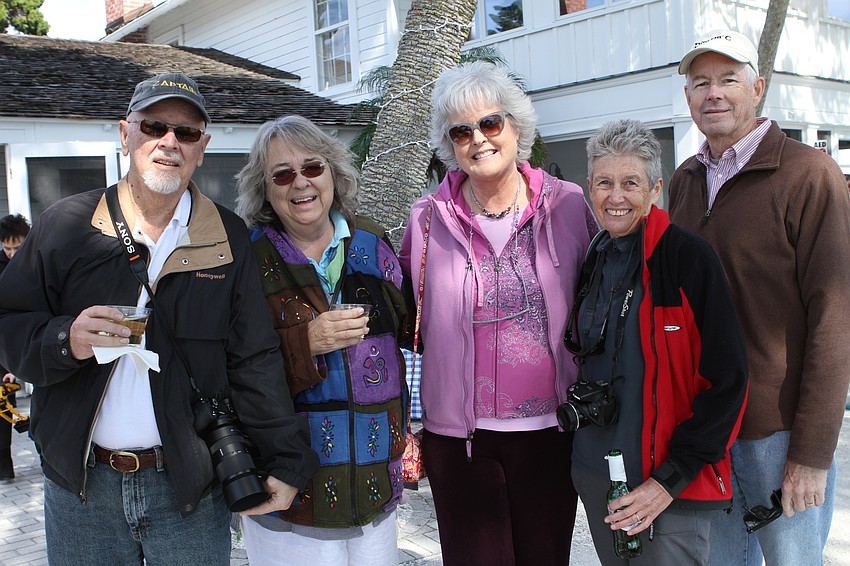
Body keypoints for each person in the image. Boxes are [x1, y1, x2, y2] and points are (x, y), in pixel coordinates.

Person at [0, 72, 319, 565]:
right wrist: (67, 340)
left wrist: (286, 457)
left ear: (203, 146)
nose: (169, 142)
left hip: (190, 489)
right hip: (82, 489)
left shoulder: (228, 236)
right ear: (125, 133)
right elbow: (10, 319)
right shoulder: (65, 225)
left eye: (187, 133)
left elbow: (253, 356)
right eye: (153, 126)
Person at [399, 60, 598, 566]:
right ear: (450, 144)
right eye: (461, 131)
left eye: (490, 123)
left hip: (550, 435)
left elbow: (607, 300)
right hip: (459, 442)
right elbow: (400, 318)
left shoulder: (569, 205)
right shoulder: (426, 219)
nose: (478, 140)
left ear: (515, 127)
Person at [669, 30, 850, 566]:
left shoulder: (808, 173)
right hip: (705, 432)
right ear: (687, 99)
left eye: (728, 79)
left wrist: (812, 452)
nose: (714, 93)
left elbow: (835, 316)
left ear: (757, 88)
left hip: (779, 435)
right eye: (701, 83)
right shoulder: (684, 181)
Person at [233, 115, 411, 566]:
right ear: (265, 189)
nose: (300, 183)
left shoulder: (373, 243)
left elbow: (408, 332)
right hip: (291, 493)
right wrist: (302, 342)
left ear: (333, 172)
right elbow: (228, 368)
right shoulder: (247, 260)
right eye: (282, 174)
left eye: (312, 167)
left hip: (373, 482)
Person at [570, 119, 748, 565]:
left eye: (630, 183)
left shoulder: (685, 258)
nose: (615, 197)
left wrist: (669, 480)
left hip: (666, 487)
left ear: (654, 190)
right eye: (605, 183)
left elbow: (729, 381)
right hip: (597, 475)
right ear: (588, 187)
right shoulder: (594, 254)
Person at [0, 213, 30, 483]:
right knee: (2, 406)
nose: (10, 254)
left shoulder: (36, 263)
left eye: (16, 248)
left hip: (29, 342)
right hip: (3, 345)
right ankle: (4, 468)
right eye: (6, 248)